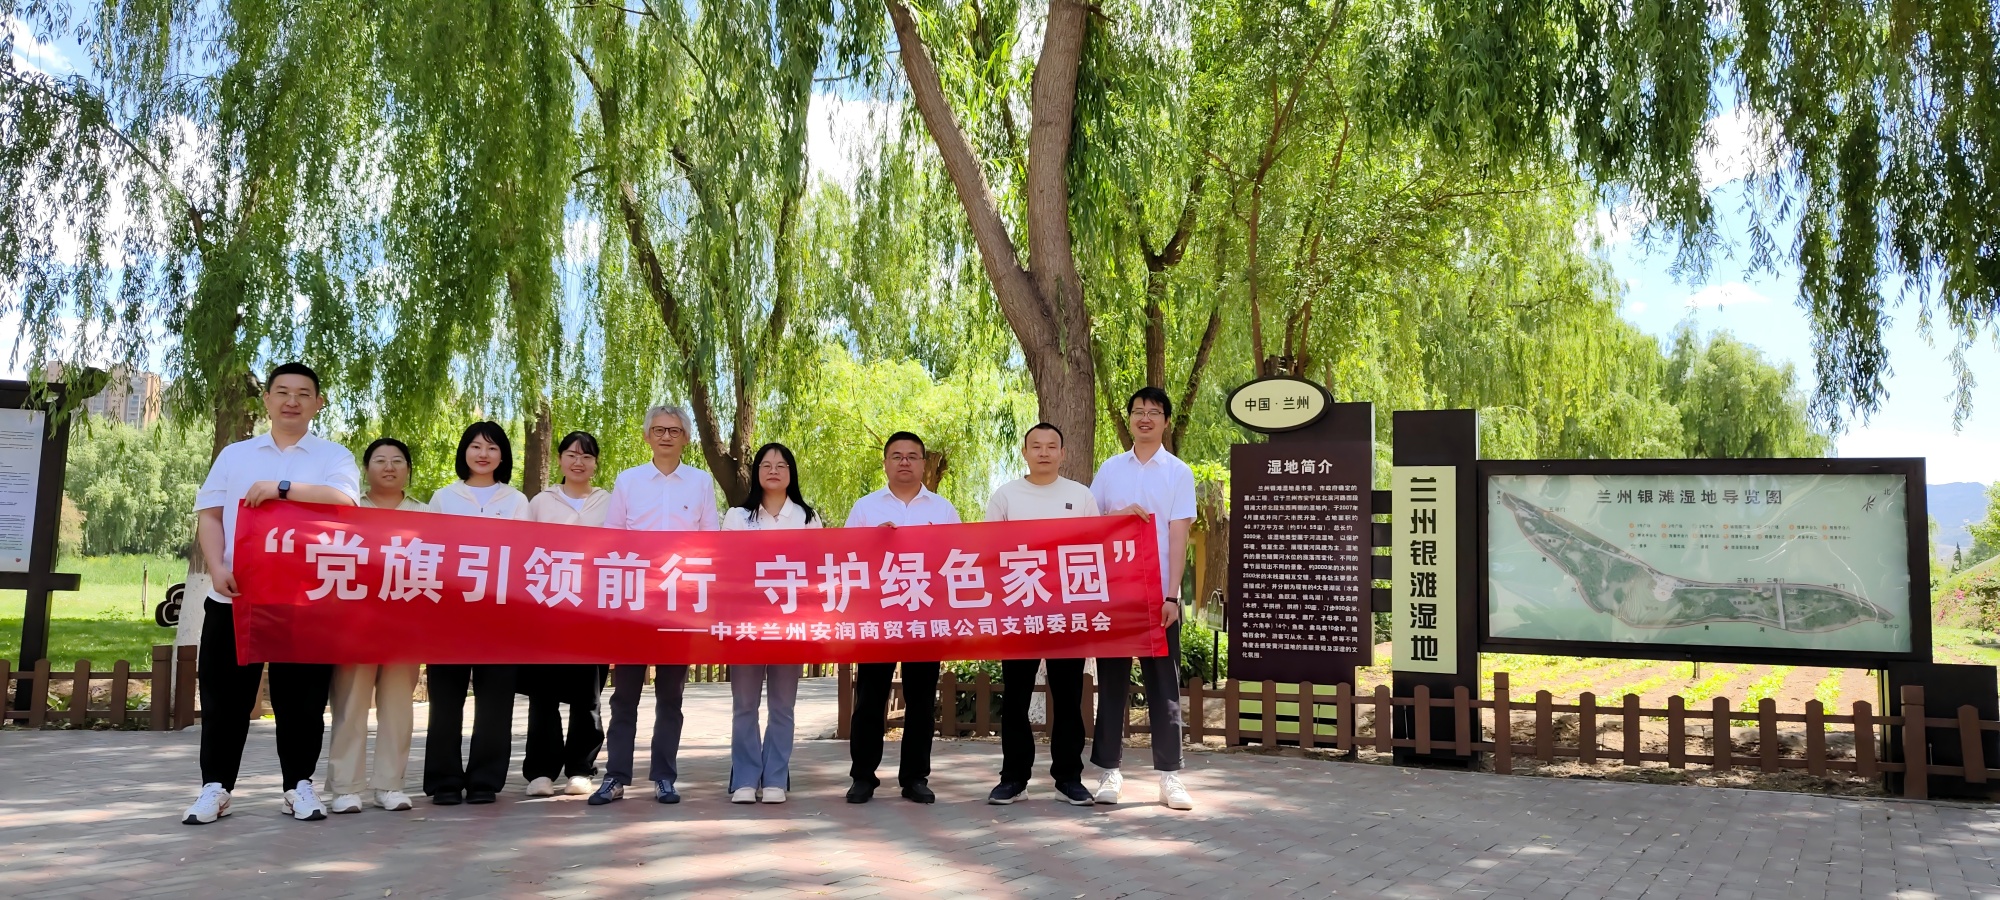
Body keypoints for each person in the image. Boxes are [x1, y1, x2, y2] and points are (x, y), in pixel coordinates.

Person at [182, 362, 360, 825]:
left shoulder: (333, 456)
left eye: (303, 393)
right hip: (236, 596)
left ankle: (298, 785)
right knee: (224, 698)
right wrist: (217, 567)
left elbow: (346, 501)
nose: (291, 401)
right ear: (266, 399)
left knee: (302, 701)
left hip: (304, 600)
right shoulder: (236, 455)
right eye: (282, 391)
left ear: (318, 403)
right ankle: (215, 787)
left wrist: (281, 488)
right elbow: (210, 514)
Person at [591, 404, 719, 806]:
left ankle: (664, 776)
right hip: (634, 602)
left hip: (679, 604)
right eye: (659, 430)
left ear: (686, 439)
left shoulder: (700, 482)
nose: (666, 436)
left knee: (671, 696)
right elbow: (612, 539)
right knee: (624, 696)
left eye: (674, 430)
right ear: (647, 436)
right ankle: (615, 777)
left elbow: (710, 541)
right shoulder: (628, 481)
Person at [1088, 387, 1196, 810]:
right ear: (1129, 419)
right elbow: (1089, 525)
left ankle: (1170, 777)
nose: (1145, 418)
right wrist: (1116, 516)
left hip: (1158, 597)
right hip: (1115, 594)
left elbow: (1178, 536)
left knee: (1163, 685)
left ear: (1166, 421)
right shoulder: (1110, 469)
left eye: (1154, 412)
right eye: (1138, 411)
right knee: (1111, 683)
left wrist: (1172, 595)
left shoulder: (1178, 472)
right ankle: (1109, 772)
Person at [984, 423, 1100, 807]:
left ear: (1063, 453)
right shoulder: (1005, 496)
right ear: (1025, 452)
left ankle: (1069, 778)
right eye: (1036, 446)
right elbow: (989, 552)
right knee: (1015, 699)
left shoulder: (1080, 496)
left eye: (1052, 446)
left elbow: (1095, 549)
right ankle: (1013, 778)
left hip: (1066, 613)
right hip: (1019, 610)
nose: (1044, 452)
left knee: (1068, 698)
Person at [843, 431, 960, 804]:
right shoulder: (865, 508)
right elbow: (845, 558)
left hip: (925, 616)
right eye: (897, 456)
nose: (905, 462)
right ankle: (863, 776)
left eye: (912, 456)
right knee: (870, 699)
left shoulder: (942, 510)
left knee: (921, 701)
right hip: (878, 617)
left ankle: (915, 778)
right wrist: (871, 542)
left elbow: (960, 560)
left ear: (924, 463)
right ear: (885, 463)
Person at [424, 422, 531, 806]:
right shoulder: (443, 497)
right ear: (464, 452)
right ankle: (445, 781)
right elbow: (430, 551)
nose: (483, 454)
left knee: (495, 701)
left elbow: (523, 554)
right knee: (445, 701)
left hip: (500, 615)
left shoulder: (516, 501)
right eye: (475, 446)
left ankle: (485, 780)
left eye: (492, 448)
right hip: (449, 613)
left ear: (503, 455)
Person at [327, 438, 426, 815]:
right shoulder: (348, 511)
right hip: (356, 624)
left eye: (397, 461)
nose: (389, 467)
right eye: (380, 460)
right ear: (366, 469)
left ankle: (390, 785)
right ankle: (346, 787)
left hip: (405, 626)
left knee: (398, 707)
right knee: (350, 703)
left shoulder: (428, 514)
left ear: (408, 470)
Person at [721, 442, 821, 804]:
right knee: (744, 705)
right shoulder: (737, 517)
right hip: (747, 626)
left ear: (791, 473)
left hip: (791, 626)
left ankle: (776, 778)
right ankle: (746, 779)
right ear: (756, 473)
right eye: (766, 464)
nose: (774, 470)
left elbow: (818, 570)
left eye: (781, 465)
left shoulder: (807, 518)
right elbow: (726, 569)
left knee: (782, 706)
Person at [520, 431, 612, 798]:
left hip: (593, 609)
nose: (578, 462)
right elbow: (522, 549)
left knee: (587, 695)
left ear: (595, 464)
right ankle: (541, 771)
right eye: (572, 454)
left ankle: (580, 768)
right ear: (559, 459)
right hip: (548, 607)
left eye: (587, 456)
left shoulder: (609, 503)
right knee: (543, 694)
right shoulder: (540, 503)